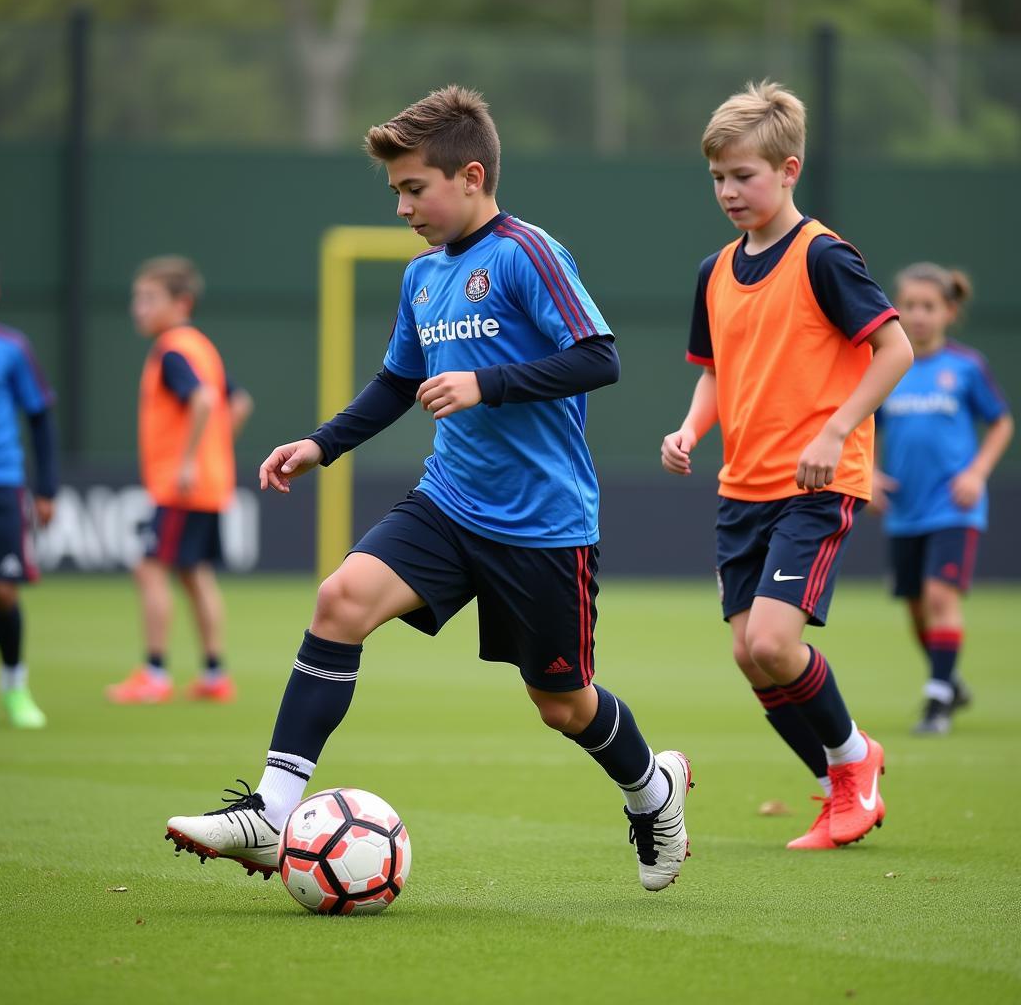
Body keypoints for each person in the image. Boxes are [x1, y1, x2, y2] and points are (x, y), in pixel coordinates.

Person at [164, 85, 692, 891]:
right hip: (448, 504)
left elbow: (600, 358)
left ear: (471, 176)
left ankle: (653, 789)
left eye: (415, 189)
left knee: (563, 703)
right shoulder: (420, 278)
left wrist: (489, 384)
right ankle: (272, 814)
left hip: (544, 526)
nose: (404, 207)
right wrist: (320, 444)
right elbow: (395, 383)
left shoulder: (526, 252)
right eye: (397, 193)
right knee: (340, 599)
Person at [661, 80, 914, 851]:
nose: (729, 191)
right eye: (718, 178)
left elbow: (894, 348)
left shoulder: (824, 256)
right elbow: (716, 368)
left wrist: (837, 432)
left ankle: (851, 769)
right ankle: (842, 775)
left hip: (815, 483)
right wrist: (690, 426)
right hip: (742, 485)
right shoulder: (714, 270)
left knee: (773, 642)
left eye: (744, 175)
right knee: (750, 656)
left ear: (789, 169)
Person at [871, 263, 1013, 735]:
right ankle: (948, 678)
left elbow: (1001, 422)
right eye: (909, 305)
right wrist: (866, 473)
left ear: (949, 311)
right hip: (905, 510)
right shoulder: (890, 366)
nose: (918, 315)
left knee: (939, 595)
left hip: (954, 504)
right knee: (915, 606)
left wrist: (976, 472)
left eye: (928, 306)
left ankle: (936, 703)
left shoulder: (965, 367)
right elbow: (864, 426)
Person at [106, 256, 253, 705]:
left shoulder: (172, 348)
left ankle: (154, 673)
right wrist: (212, 452)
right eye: (137, 298)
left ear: (181, 302)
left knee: (149, 567)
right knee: (194, 573)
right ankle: (214, 674)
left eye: (149, 298)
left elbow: (205, 400)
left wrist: (189, 461)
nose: (139, 308)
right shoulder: (199, 345)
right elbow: (240, 401)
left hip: (181, 485)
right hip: (209, 483)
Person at [0, 261, 58, 728]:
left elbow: (39, 416)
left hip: (5, 481)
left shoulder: (13, 348)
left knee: (4, 592)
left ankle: (15, 686)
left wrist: (47, 488)